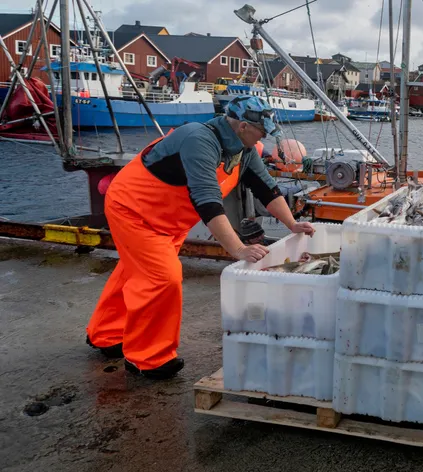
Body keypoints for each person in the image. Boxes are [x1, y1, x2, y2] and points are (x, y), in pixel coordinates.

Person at [85, 95, 316, 380]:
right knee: (161, 278)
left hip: (170, 219)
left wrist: (292, 224)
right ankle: (147, 358)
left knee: (134, 272)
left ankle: (106, 335)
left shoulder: (243, 149)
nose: (266, 137)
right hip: (134, 210)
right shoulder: (199, 140)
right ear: (243, 126)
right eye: (262, 130)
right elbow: (207, 201)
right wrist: (238, 248)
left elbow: (266, 189)